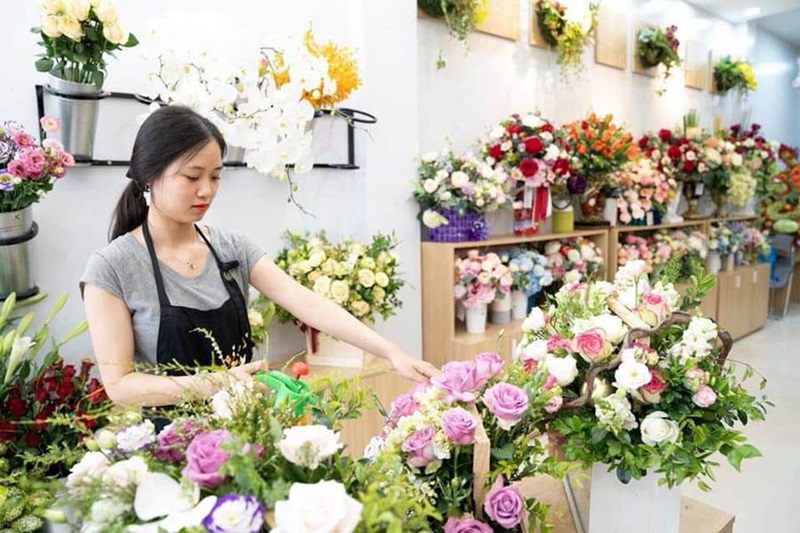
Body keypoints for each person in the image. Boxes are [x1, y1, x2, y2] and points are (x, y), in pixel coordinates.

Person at [81, 105, 438, 407]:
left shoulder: (231, 249)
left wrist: (392, 352)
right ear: (149, 177)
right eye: (192, 177)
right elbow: (120, 386)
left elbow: (308, 304)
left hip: (246, 430)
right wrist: (215, 384)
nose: (206, 190)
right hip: (170, 446)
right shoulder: (113, 266)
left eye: (216, 177)